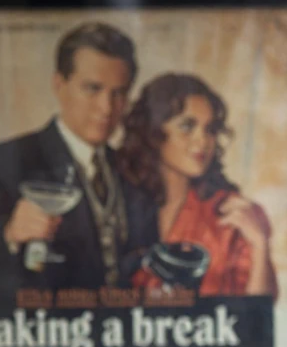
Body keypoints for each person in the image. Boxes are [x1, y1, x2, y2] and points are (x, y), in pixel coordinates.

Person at [0, 22, 159, 303]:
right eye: (92, 88)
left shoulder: (131, 169)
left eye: (119, 93)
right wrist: (6, 232)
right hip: (35, 328)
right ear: (59, 84)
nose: (106, 107)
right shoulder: (4, 160)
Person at [119, 73, 278, 300]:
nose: (202, 141)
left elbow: (259, 310)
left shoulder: (232, 214)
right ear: (153, 132)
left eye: (210, 129)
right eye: (187, 126)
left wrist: (260, 245)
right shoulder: (120, 202)